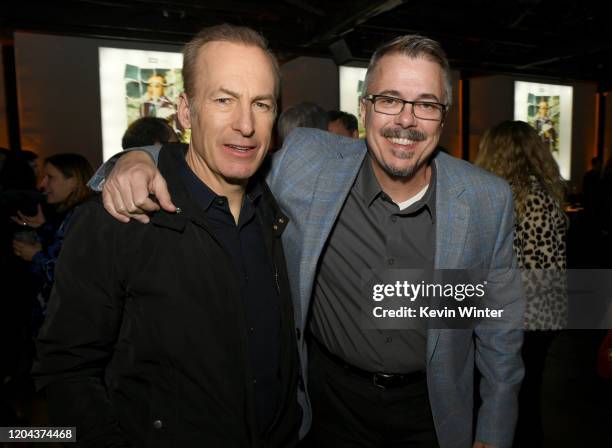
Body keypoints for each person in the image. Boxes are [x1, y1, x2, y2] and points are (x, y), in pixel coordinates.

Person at [92, 34, 524, 448]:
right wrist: (137, 159)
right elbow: (219, 158)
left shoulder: (487, 200)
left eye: (426, 105)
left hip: (431, 408)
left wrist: (494, 429)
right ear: (365, 107)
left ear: (444, 116)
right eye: (389, 100)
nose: (405, 120)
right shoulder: (308, 163)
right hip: (330, 402)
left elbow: (499, 333)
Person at [33, 24, 300, 447]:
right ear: (185, 110)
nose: (245, 124)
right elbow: (67, 370)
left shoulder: (277, 213)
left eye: (261, 104)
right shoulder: (117, 218)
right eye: (223, 100)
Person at [475, 120, 567, 447]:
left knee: (511, 398)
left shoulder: (506, 197)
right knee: (527, 397)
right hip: (544, 313)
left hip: (519, 315)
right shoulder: (544, 192)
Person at [12, 153, 94, 330]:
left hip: (71, 324)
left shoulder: (85, 217)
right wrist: (43, 228)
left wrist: (34, 256)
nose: (42, 184)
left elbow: (70, 274)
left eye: (50, 177)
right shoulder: (77, 212)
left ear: (73, 180)